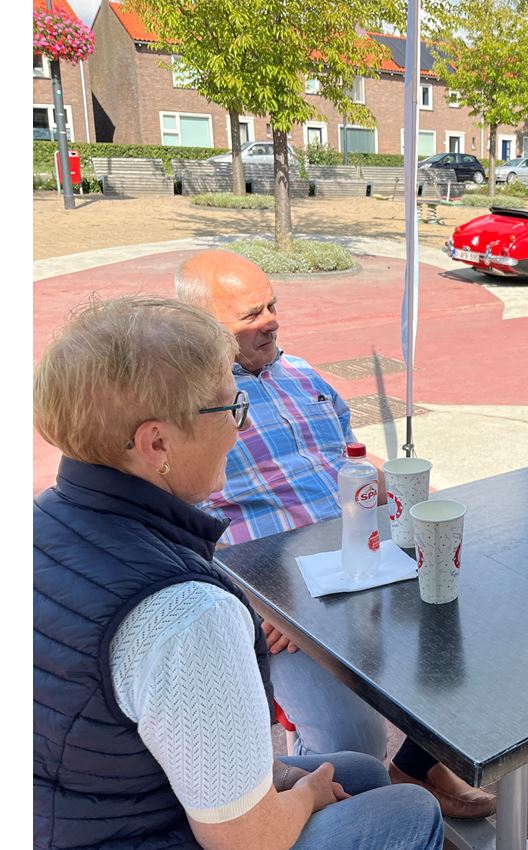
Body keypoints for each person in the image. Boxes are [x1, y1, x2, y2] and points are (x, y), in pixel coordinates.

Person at [33, 297, 443, 850]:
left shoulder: (43, 519)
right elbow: (247, 839)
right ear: (157, 443)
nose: (240, 427)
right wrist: (306, 795)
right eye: (232, 408)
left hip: (75, 809)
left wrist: (286, 780)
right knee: (409, 810)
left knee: (363, 773)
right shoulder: (185, 611)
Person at [174, 249, 497, 820]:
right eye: (251, 314)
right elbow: (178, 526)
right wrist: (256, 599)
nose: (271, 321)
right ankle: (317, 814)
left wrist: (416, 499)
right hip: (283, 603)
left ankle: (417, 765)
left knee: (481, 636)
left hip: (364, 558)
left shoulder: (302, 374)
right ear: (200, 326)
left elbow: (350, 459)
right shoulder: (188, 406)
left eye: (272, 305)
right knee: (352, 747)